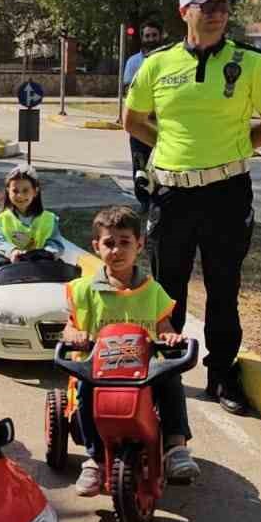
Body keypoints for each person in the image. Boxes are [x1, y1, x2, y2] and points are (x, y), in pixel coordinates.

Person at [124, 0, 261, 415]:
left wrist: (240, 147)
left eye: (224, 5)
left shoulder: (251, 63)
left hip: (227, 193)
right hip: (173, 195)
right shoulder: (157, 64)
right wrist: (165, 146)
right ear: (185, 11)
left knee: (223, 287)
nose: (218, 14)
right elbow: (132, 120)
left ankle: (222, 373)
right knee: (167, 288)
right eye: (208, 5)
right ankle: (165, 375)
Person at [63, 206, 198, 495]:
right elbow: (69, 327)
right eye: (109, 243)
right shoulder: (84, 289)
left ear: (139, 245)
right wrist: (75, 335)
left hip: (143, 369)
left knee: (171, 380)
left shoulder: (152, 290)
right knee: (86, 389)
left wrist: (171, 338)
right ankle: (95, 459)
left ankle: (175, 447)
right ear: (96, 247)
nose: (117, 250)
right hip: (99, 369)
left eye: (125, 242)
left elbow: (164, 326)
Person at [0, 164, 66, 278]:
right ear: (8, 191)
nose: (20, 195)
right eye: (15, 191)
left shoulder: (49, 219)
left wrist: (47, 253)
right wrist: (12, 252)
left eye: (25, 190)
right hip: (8, 271)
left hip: (38, 269)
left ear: (35, 191)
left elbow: (56, 243)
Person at [123, 19, 166, 212]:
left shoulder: (169, 59)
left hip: (164, 125)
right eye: (147, 36)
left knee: (162, 166)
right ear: (142, 38)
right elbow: (127, 90)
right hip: (140, 124)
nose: (150, 39)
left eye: (154, 35)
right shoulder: (134, 62)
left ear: (161, 36)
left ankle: (160, 201)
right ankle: (144, 202)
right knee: (140, 165)